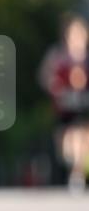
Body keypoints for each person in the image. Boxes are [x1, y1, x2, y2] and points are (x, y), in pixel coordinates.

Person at [38, 14, 89, 192]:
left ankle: (77, 173)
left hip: (83, 101)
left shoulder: (86, 57)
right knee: (66, 141)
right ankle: (71, 164)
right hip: (64, 103)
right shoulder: (58, 54)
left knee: (82, 135)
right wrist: (55, 87)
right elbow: (45, 75)